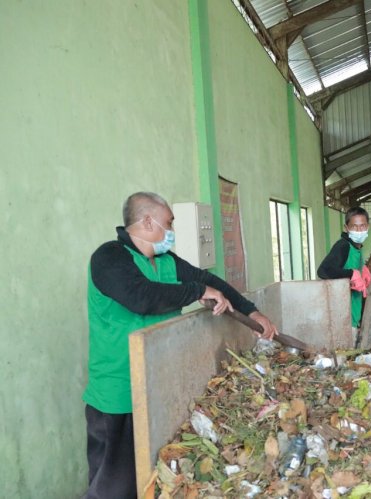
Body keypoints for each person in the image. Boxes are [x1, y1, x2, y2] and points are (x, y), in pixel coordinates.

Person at [83, 192, 278, 498]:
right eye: (169, 222)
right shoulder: (109, 258)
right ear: (148, 221)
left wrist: (252, 311)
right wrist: (196, 291)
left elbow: (211, 282)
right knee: (114, 488)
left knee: (155, 481)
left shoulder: (166, 261)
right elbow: (142, 297)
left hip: (158, 392)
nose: (172, 230)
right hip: (118, 396)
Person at [317, 206, 371, 330]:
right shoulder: (343, 246)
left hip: (353, 313)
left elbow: (347, 264)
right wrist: (351, 274)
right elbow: (324, 270)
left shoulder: (356, 247)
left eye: (362, 226)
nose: (359, 230)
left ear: (368, 226)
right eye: (354, 226)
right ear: (346, 228)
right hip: (342, 317)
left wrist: (362, 268)